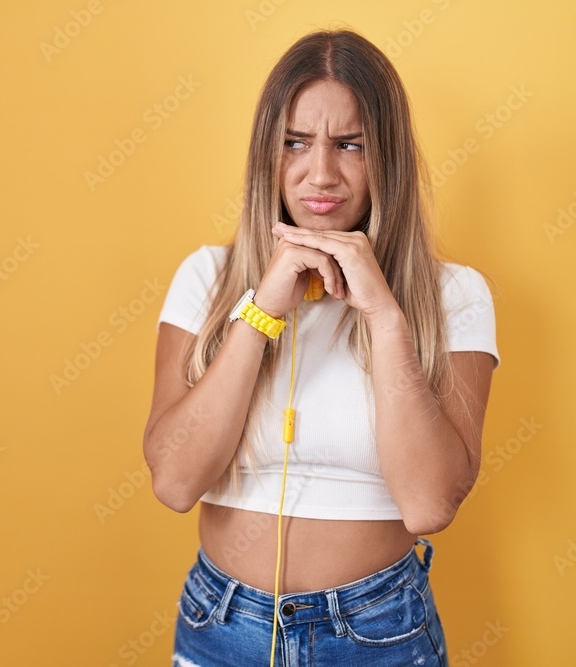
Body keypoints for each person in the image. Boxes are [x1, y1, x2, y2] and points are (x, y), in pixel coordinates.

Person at [143, 28, 499, 666]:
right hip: (220, 624)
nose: (321, 173)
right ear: (267, 156)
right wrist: (262, 309)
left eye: (350, 145)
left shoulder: (455, 295)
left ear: (384, 156)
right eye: (296, 143)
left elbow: (429, 503)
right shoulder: (207, 277)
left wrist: (385, 317)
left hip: (377, 630)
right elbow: (173, 481)